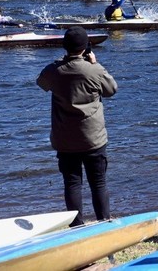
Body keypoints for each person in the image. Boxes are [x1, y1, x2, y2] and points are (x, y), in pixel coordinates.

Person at [37, 27, 118, 227]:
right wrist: (95, 63)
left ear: (65, 46)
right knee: (98, 183)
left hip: (65, 139)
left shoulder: (54, 70)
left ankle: (76, 227)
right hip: (93, 138)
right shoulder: (94, 70)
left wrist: (62, 62)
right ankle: (104, 224)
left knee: (72, 184)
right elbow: (111, 90)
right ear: (86, 47)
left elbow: (41, 83)